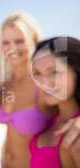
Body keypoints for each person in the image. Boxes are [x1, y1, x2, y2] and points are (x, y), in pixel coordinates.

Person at [0, 12, 56, 168]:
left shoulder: (44, 83)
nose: (12, 48)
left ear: (33, 41)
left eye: (19, 41)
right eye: (6, 42)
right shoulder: (3, 85)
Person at [30, 36, 80, 168]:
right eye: (37, 73)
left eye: (54, 72)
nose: (45, 83)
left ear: (76, 71)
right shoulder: (49, 118)